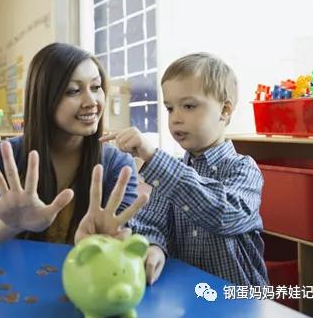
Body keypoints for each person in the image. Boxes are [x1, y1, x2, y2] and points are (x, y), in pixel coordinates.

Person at [0, 42, 148, 249]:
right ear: (44, 97)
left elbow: (125, 233)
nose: (91, 101)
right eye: (74, 91)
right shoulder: (7, 156)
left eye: (95, 87)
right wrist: (8, 224)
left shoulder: (117, 163)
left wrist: (101, 242)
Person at [102, 53, 268, 286]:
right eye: (170, 108)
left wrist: (152, 157)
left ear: (225, 110)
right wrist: (155, 246)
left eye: (189, 106)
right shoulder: (171, 170)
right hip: (188, 294)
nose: (176, 118)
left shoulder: (243, 169)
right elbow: (152, 222)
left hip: (240, 299)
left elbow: (223, 213)